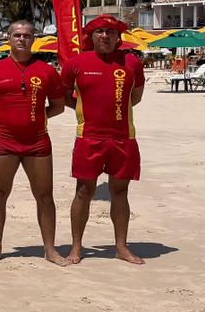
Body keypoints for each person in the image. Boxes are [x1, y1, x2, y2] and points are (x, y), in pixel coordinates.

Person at [0, 20, 68, 266]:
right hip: (4, 141)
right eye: (17, 35)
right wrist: (0, 117)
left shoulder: (47, 71)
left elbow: (58, 106)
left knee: (45, 196)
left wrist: (36, 118)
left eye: (27, 35)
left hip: (37, 142)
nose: (22, 39)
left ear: (33, 38)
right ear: (9, 38)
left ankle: (50, 249)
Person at [62, 14, 146, 264]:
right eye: (100, 32)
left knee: (120, 192)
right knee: (83, 192)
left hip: (123, 138)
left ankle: (121, 246)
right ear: (92, 36)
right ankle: (76, 247)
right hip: (89, 137)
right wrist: (85, 112)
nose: (105, 36)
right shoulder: (75, 63)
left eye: (110, 32)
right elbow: (64, 95)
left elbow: (136, 96)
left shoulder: (132, 63)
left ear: (118, 37)